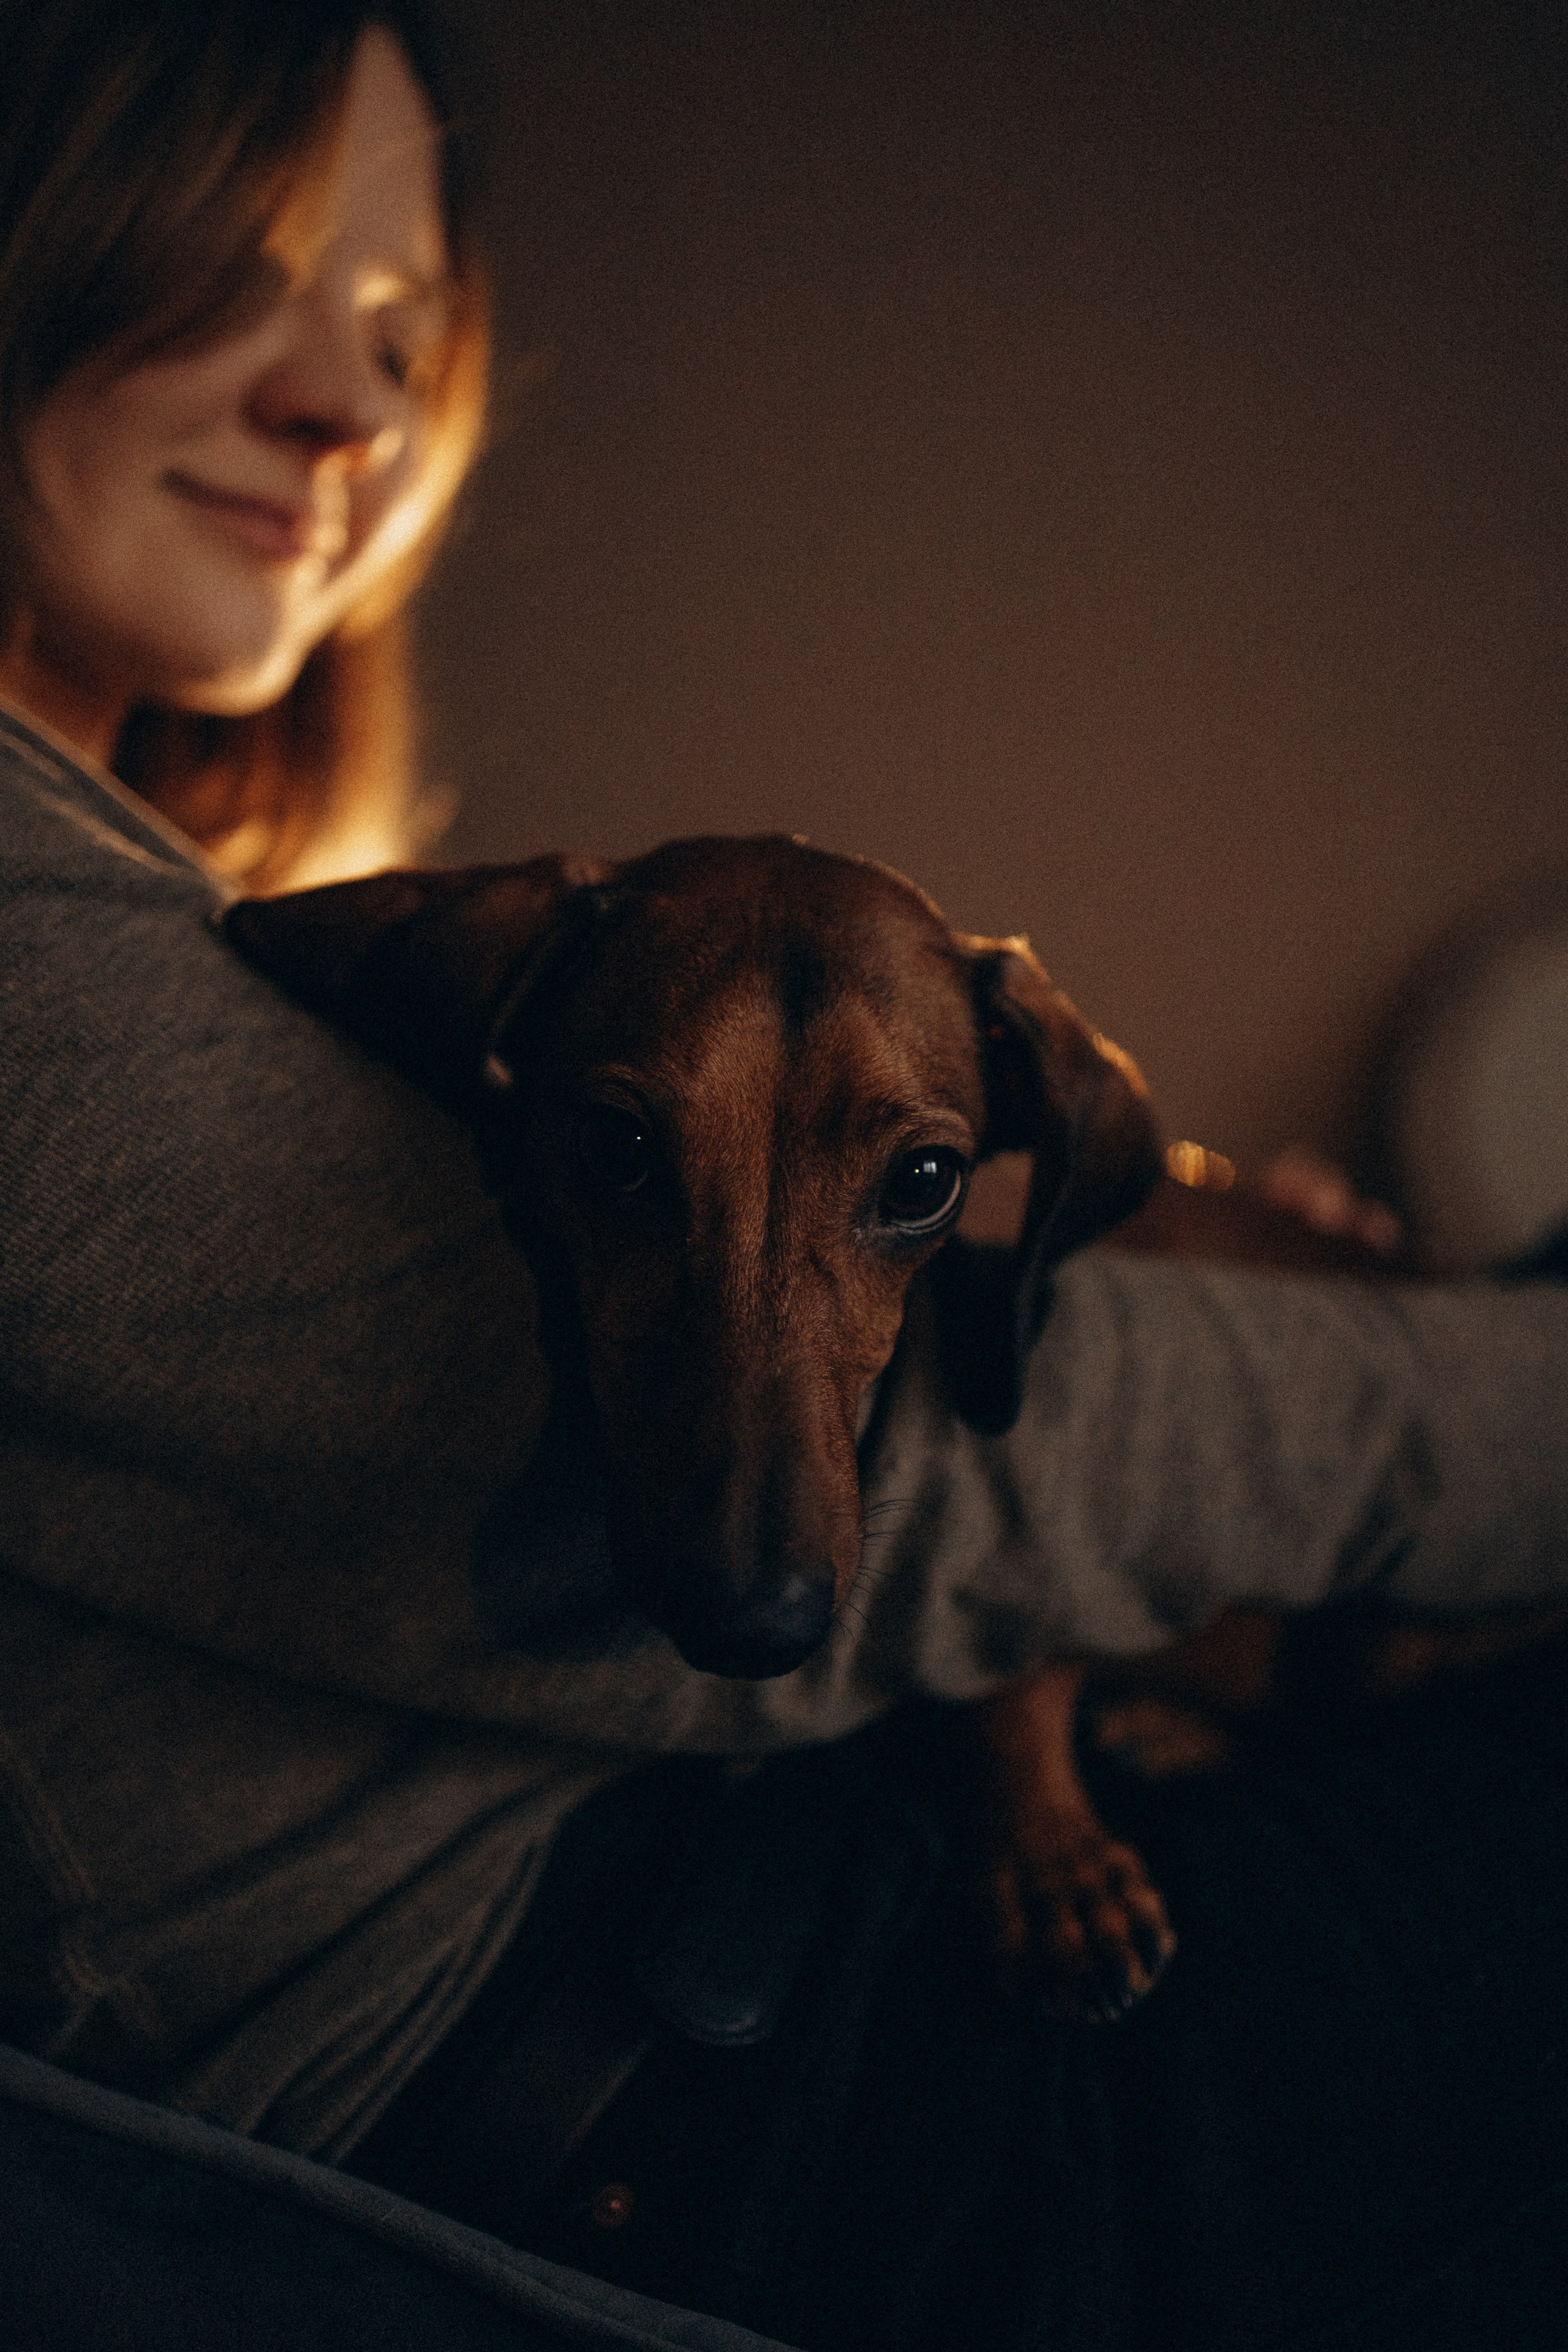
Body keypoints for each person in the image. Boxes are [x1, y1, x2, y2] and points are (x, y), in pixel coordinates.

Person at [3, 4, 1568, 2346]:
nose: (353, 409)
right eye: (244, 257)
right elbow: (918, 1518)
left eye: (405, 324)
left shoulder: (228, 945)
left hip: (803, 1947)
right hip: (755, 2105)